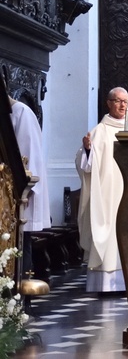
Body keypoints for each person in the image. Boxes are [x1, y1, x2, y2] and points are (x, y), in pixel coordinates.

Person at [75, 87, 128, 292]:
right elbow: (85, 166)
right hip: (107, 194)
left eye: (125, 101)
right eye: (118, 101)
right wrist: (87, 150)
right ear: (109, 103)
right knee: (109, 231)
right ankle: (106, 284)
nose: (122, 105)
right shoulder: (99, 132)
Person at [9, 96, 51, 277]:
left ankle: (20, 299)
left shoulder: (22, 113)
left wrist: (25, 191)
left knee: (21, 243)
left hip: (20, 196)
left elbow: (30, 158)